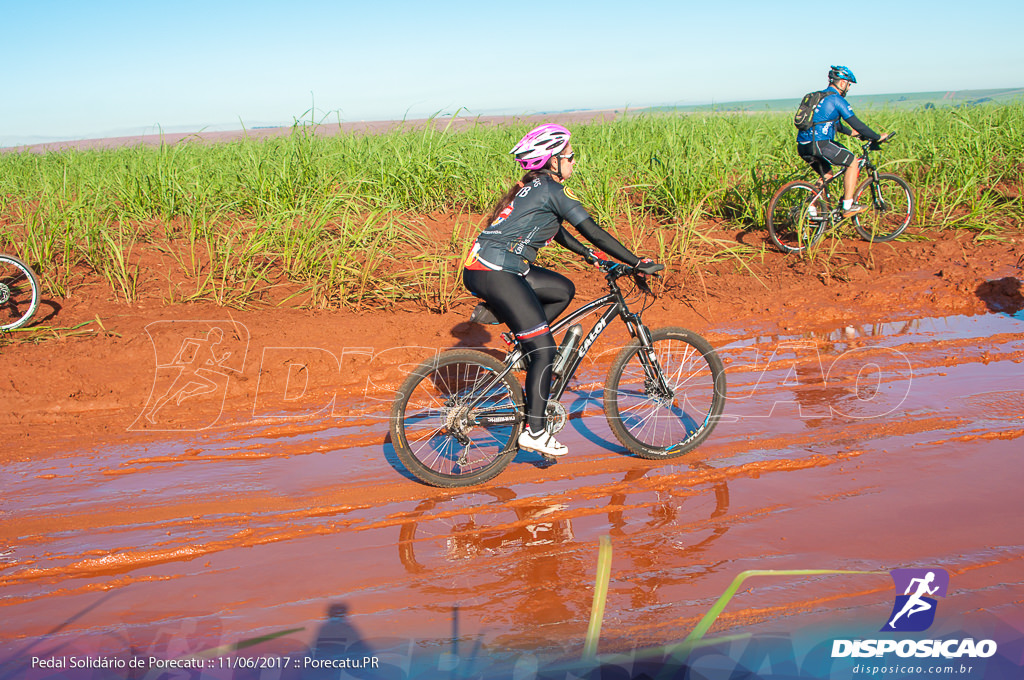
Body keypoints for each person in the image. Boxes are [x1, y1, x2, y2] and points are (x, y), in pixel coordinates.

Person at [462, 123, 662, 458]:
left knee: (561, 289)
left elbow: (556, 230)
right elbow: (593, 230)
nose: (573, 161)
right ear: (551, 161)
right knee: (544, 350)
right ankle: (535, 431)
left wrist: (591, 257)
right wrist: (636, 261)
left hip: (490, 266)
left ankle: (523, 343)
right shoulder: (553, 190)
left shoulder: (536, 188)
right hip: (496, 271)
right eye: (570, 156)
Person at [797, 65, 890, 217]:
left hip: (804, 146)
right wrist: (877, 137)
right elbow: (856, 122)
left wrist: (852, 133)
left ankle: (810, 207)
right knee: (852, 162)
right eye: (848, 84)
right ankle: (848, 205)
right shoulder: (836, 99)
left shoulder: (820, 98)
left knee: (827, 175)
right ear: (841, 83)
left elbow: (834, 123)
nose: (848, 88)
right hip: (821, 144)